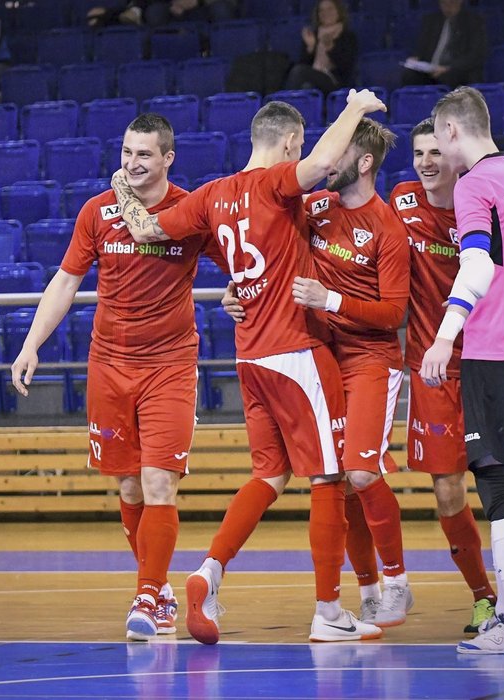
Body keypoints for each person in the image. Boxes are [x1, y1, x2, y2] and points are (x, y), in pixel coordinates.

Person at [111, 89, 389, 645]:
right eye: (299, 147)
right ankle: (329, 611)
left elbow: (143, 229)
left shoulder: (212, 196)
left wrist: (120, 183)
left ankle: (207, 572)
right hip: (295, 351)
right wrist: (355, 109)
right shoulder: (274, 182)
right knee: (329, 479)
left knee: (269, 474)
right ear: (289, 143)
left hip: (249, 356)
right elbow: (324, 164)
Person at [11, 113, 224, 643]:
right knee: (129, 484)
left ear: (168, 159)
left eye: (144, 154)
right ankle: (160, 592)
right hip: (109, 364)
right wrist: (31, 343)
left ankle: (149, 595)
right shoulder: (97, 211)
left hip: (170, 365)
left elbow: (243, 262)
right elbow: (65, 281)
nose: (132, 163)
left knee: (158, 482)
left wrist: (241, 292)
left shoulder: (190, 210)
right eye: (127, 152)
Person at [338, 118, 504, 638]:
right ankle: (483, 596)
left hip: (489, 356)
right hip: (431, 367)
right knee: (448, 490)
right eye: (419, 154)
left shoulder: (483, 200)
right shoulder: (402, 202)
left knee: (501, 478)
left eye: (436, 151)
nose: (427, 162)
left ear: (455, 153)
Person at [224, 119, 415, 628]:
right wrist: (238, 290)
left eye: (339, 153)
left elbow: (395, 313)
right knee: (339, 480)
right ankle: (368, 587)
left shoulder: (387, 227)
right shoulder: (317, 206)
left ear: (365, 162)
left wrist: (331, 299)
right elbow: (268, 248)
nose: (327, 161)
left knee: (358, 470)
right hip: (320, 356)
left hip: (372, 360)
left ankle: (396, 580)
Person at [420, 86, 504, 654]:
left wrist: (444, 337)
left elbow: (476, 260)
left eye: (438, 140)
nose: (437, 158)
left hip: (496, 350)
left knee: (498, 486)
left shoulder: (474, 183)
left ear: (452, 131)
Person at [401, 0, 487, 88]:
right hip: (430, 68)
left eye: (451, 3)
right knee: (409, 76)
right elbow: (422, 47)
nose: (448, 7)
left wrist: (447, 68)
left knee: (449, 77)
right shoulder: (430, 20)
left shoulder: (473, 22)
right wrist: (416, 58)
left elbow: (476, 54)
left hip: (455, 69)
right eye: (444, 3)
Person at [285, 0, 357, 95]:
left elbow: (345, 66)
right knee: (306, 86)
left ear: (339, 12)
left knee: (298, 72)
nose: (325, 13)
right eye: (321, 10)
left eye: (330, 9)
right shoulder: (313, 35)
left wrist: (330, 48)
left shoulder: (347, 36)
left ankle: (284, 105)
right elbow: (304, 64)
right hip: (313, 77)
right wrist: (311, 47)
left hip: (335, 81)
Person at [144, 0, 235, 27]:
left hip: (207, 6)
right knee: (154, 12)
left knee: (221, 9)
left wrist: (198, 1)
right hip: (172, 6)